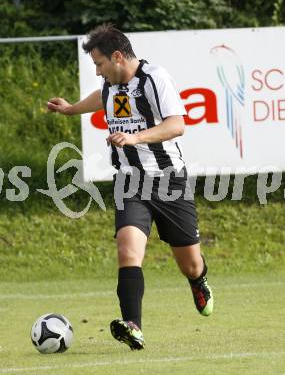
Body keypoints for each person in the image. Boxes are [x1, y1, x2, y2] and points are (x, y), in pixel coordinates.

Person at [47, 23, 213, 351]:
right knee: (127, 251)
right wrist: (71, 109)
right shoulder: (111, 85)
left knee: (190, 263)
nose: (97, 71)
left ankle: (198, 281)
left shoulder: (155, 78)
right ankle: (133, 326)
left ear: (118, 57)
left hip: (169, 181)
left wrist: (135, 137)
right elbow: (102, 97)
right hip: (130, 182)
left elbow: (177, 124)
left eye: (99, 64)